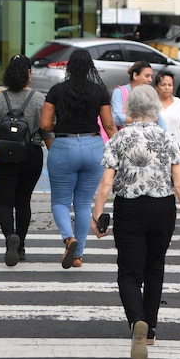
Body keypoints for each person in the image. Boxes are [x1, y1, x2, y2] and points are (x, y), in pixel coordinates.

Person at [91, 84, 180, 359]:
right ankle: (149, 329)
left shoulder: (119, 139)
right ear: (155, 109)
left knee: (128, 273)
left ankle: (135, 320)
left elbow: (105, 183)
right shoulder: (166, 138)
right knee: (155, 268)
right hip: (162, 209)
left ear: (129, 110)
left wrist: (98, 215)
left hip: (129, 209)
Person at [40, 48, 117, 268]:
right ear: (90, 67)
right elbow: (109, 124)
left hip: (64, 146)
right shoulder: (100, 91)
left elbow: (44, 125)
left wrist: (61, 125)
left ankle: (68, 238)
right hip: (93, 147)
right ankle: (78, 256)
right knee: (83, 204)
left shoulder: (56, 90)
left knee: (60, 202)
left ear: (69, 67)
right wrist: (120, 147)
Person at [0, 54, 45, 266]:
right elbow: (48, 132)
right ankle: (21, 246)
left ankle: (10, 237)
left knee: (4, 201)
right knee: (23, 201)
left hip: (4, 157)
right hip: (32, 155)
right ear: (29, 74)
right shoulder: (39, 99)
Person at [154, 69, 180, 150]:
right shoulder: (152, 104)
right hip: (157, 147)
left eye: (169, 85)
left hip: (176, 146)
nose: (167, 88)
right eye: (163, 85)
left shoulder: (179, 103)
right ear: (157, 87)